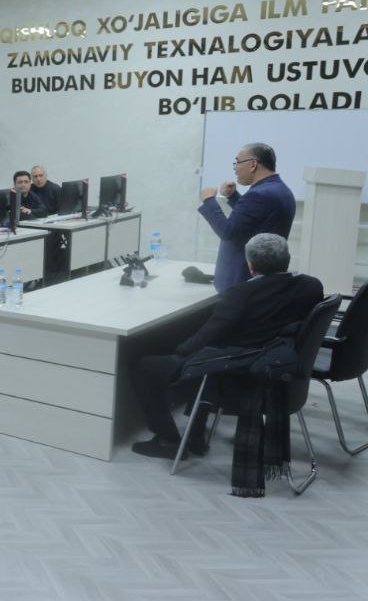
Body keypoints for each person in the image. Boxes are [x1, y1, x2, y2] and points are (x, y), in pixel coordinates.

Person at [131, 234, 323, 460]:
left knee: (145, 365)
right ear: (288, 259)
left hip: (238, 374)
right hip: (276, 366)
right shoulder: (311, 286)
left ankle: (168, 440)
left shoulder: (240, 294)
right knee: (204, 355)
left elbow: (208, 335)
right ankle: (195, 434)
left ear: (250, 265)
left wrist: (178, 350)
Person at [198, 142, 296, 293]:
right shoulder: (281, 190)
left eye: (237, 162)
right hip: (262, 281)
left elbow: (228, 231)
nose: (236, 169)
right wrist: (233, 196)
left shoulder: (258, 195)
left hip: (242, 284)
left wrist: (209, 200)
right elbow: (255, 220)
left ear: (252, 165)